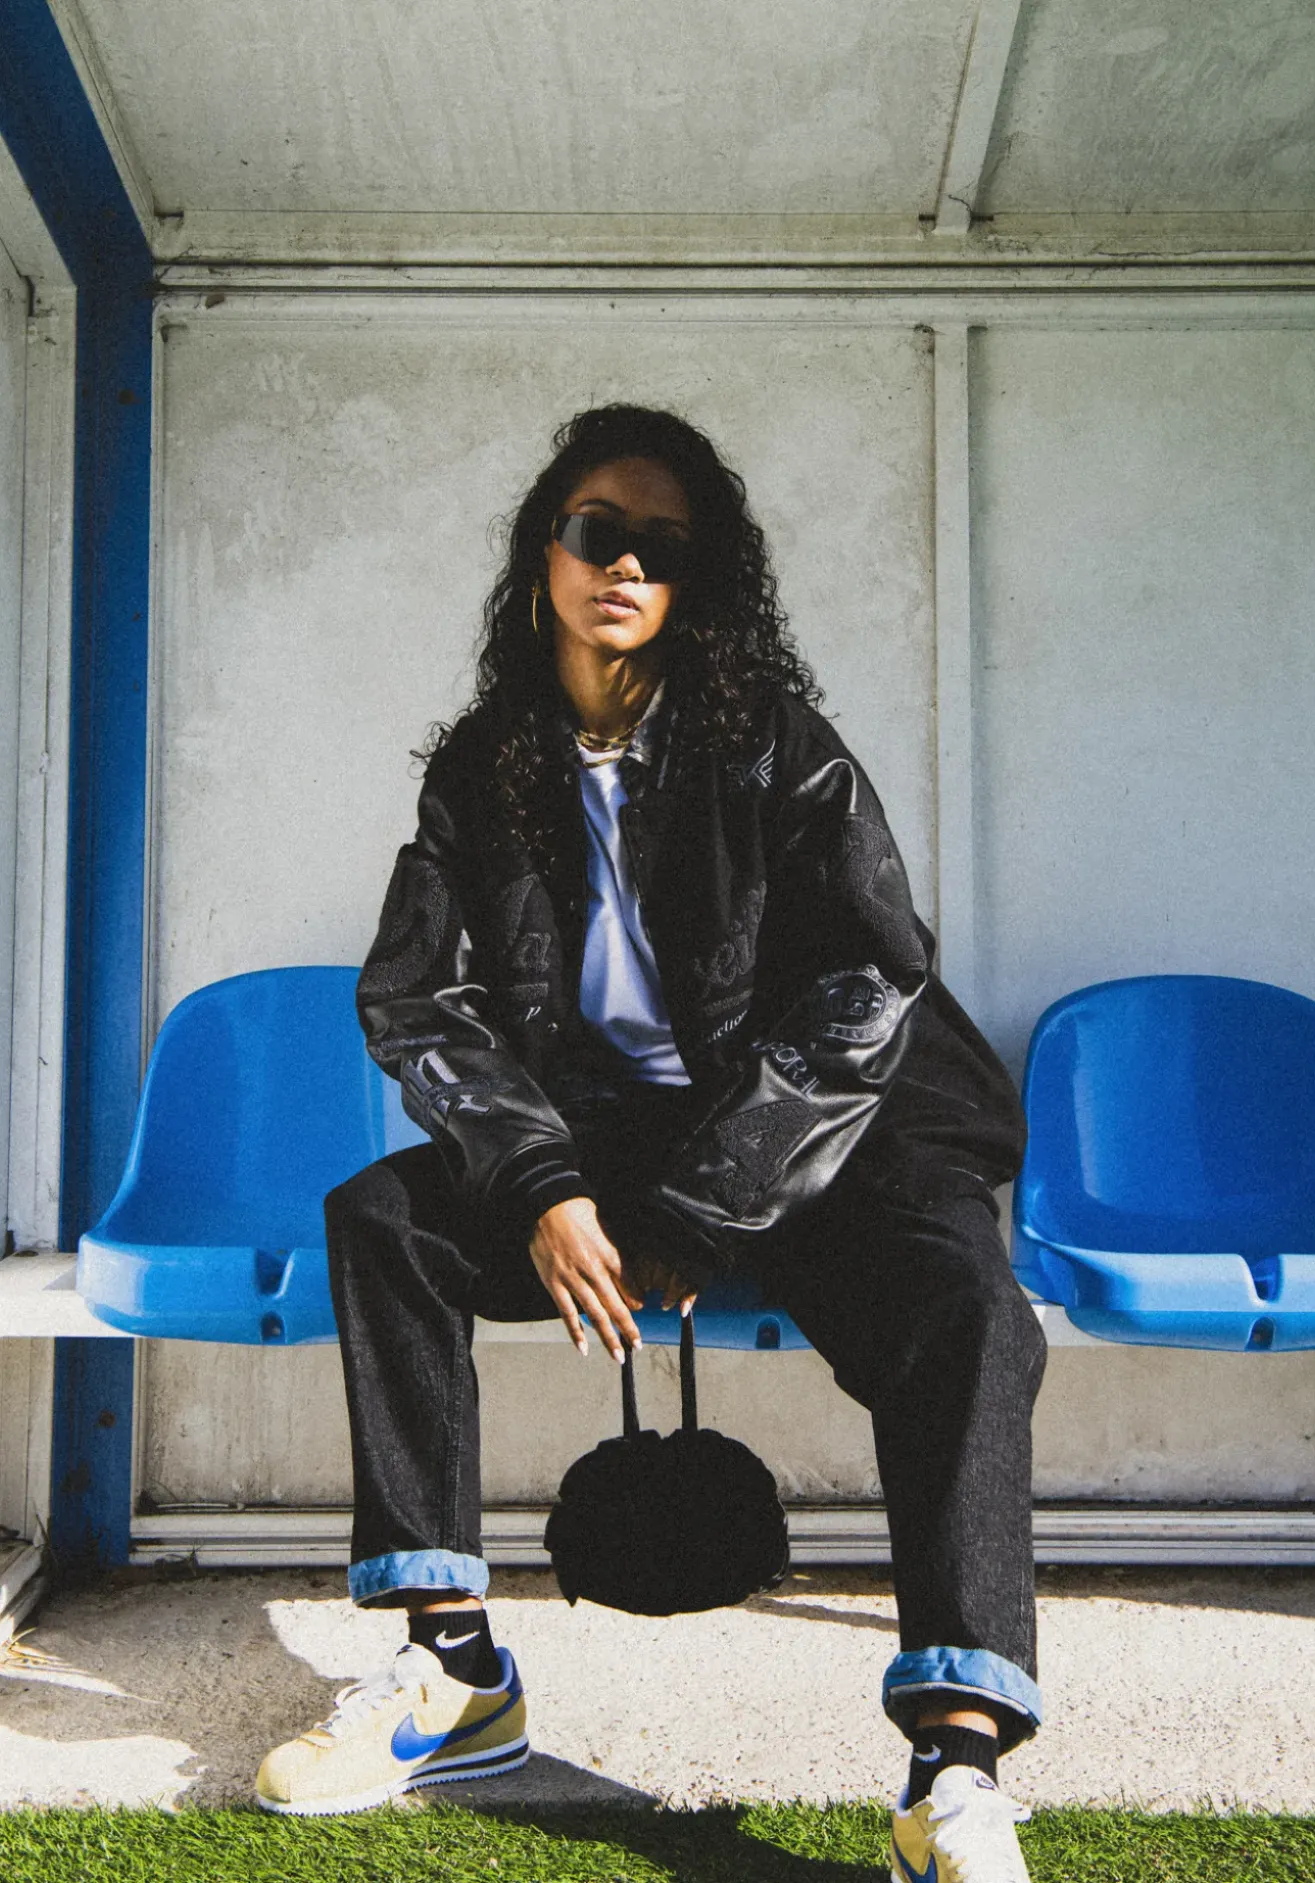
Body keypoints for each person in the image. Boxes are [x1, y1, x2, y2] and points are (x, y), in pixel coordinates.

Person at [255, 404, 1047, 1879]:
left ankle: (954, 1765)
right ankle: (453, 1672)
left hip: (819, 1140)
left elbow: (867, 982)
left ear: (700, 579)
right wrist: (542, 1181)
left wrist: (708, 1203)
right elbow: (421, 999)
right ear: (544, 554)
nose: (624, 562)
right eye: (596, 530)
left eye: (662, 546)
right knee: (384, 1219)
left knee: (970, 1310)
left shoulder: (775, 748)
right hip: (609, 1146)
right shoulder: (484, 769)